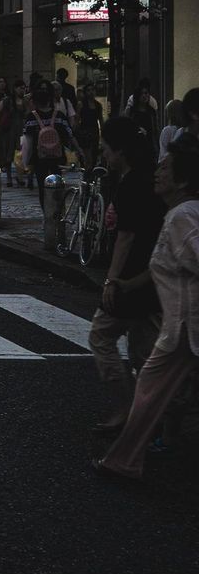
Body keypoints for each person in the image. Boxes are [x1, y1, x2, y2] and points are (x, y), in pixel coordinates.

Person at [94, 133, 199, 481]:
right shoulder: (180, 213)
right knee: (152, 389)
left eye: (166, 168)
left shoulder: (183, 215)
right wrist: (126, 284)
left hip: (186, 326)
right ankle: (127, 457)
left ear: (182, 180)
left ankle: (124, 459)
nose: (157, 172)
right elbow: (164, 266)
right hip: (181, 327)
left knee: (150, 390)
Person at [88, 118, 165, 434]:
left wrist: (111, 279)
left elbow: (127, 236)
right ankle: (153, 416)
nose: (104, 154)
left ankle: (128, 407)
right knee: (143, 352)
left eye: (106, 148)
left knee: (100, 336)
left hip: (131, 278)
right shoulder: (151, 180)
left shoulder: (131, 184)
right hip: (152, 278)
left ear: (120, 151)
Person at [21, 84, 85, 207]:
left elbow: (27, 141)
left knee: (42, 186)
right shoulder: (59, 116)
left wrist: (26, 162)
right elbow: (70, 135)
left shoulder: (31, 118)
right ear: (50, 101)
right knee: (58, 184)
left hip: (39, 158)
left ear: (35, 102)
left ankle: (47, 214)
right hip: (57, 157)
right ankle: (58, 211)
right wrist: (79, 151)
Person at [75, 83, 104, 174]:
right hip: (84, 131)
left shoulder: (98, 105)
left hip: (94, 131)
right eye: (88, 90)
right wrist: (76, 132)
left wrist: (103, 132)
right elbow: (77, 118)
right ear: (85, 92)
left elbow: (100, 119)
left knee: (94, 156)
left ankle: (90, 177)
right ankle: (87, 176)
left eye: (92, 90)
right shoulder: (81, 104)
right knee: (88, 158)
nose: (91, 92)